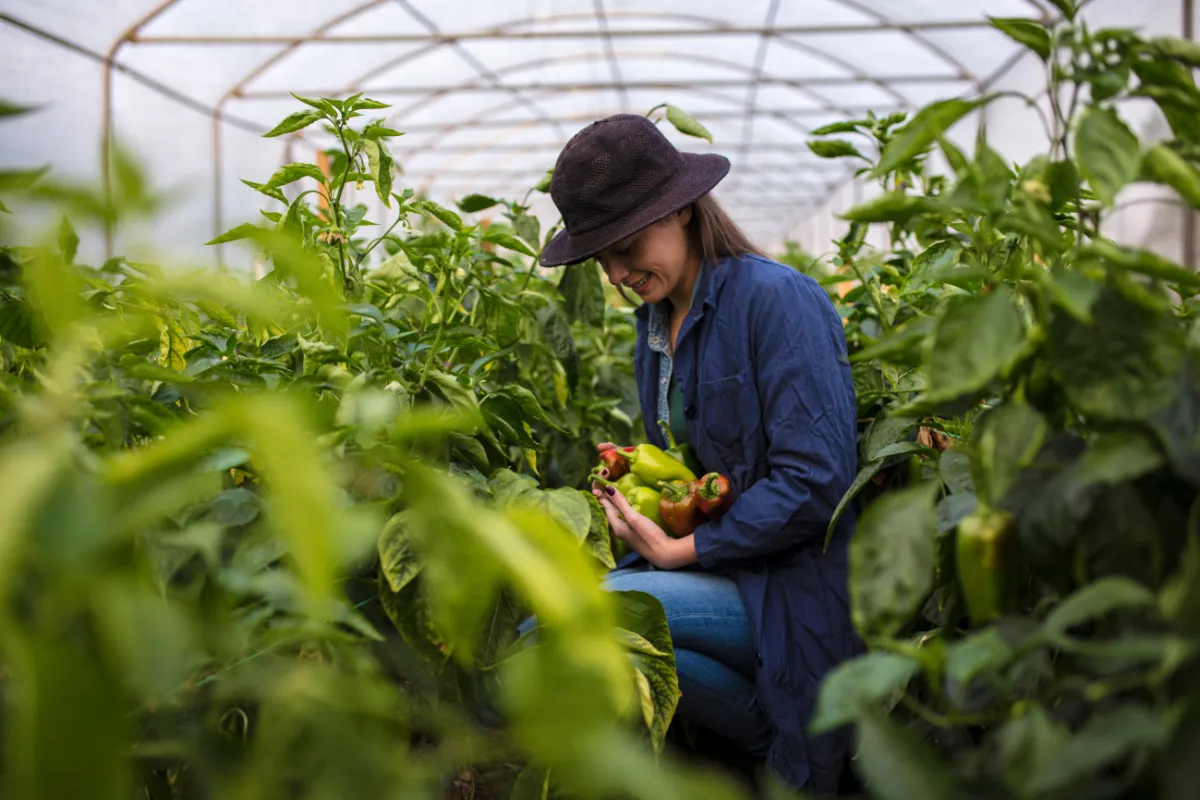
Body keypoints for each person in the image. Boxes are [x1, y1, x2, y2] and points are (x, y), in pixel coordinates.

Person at [536, 114, 864, 795]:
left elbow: (817, 480)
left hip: (791, 582)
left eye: (627, 246)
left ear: (683, 209)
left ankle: (774, 738)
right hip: (727, 573)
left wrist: (678, 553)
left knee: (565, 626)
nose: (619, 272)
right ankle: (757, 746)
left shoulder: (777, 301)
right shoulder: (653, 328)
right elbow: (685, 468)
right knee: (615, 649)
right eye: (603, 258)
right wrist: (639, 500)